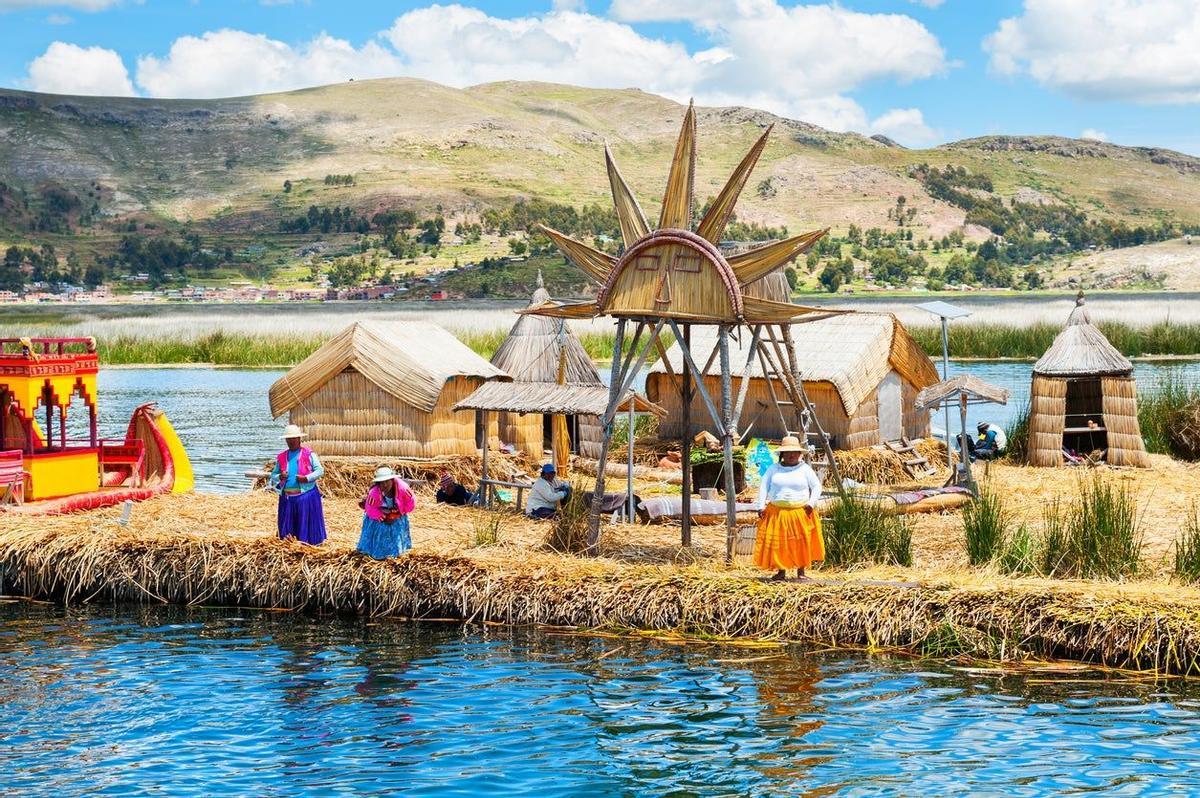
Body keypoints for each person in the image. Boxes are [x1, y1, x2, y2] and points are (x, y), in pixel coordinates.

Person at [753, 435, 824, 582]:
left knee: (801, 541)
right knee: (780, 543)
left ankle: (801, 571)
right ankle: (781, 571)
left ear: (799, 454)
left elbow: (816, 486)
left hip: (801, 511)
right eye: (787, 452)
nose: (791, 455)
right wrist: (761, 505)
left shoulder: (805, 469)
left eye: (794, 452)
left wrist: (811, 503)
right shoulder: (773, 469)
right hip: (777, 512)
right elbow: (764, 486)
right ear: (782, 454)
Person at [270, 424, 327, 545]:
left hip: (305, 495)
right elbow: (273, 475)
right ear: (285, 440)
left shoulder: (309, 454)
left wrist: (306, 478)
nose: (291, 441)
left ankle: (308, 544)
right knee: (288, 530)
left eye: (294, 438)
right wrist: (279, 476)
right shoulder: (282, 457)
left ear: (299, 439)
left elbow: (319, 470)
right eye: (289, 439)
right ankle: (289, 544)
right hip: (287, 498)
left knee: (306, 524)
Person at [357, 466, 415, 560]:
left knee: (396, 532)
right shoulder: (374, 492)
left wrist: (399, 513)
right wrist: (381, 517)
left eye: (387, 481)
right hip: (379, 515)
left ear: (392, 480)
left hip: (397, 513)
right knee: (381, 531)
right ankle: (377, 553)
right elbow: (370, 508)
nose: (385, 485)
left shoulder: (403, 489)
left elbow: (411, 502)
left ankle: (396, 552)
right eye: (381, 482)